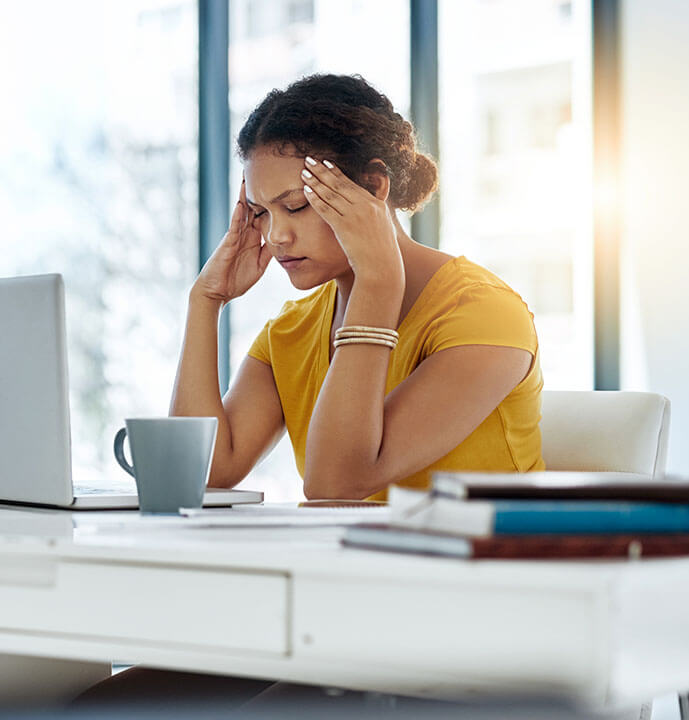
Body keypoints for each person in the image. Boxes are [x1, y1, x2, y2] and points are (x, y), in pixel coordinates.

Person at [170, 73, 544, 502]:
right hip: (345, 566)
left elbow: (336, 484)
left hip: (481, 567)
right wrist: (205, 301)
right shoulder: (292, 331)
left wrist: (378, 281)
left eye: (295, 206)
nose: (276, 237)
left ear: (373, 187)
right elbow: (198, 472)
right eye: (260, 213)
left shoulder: (484, 313)